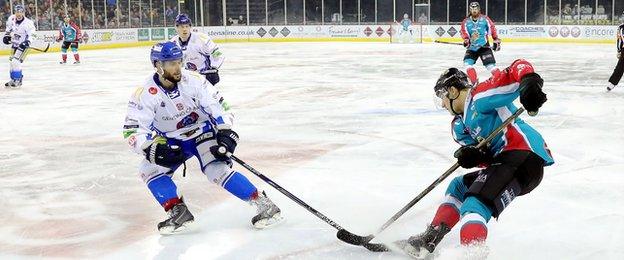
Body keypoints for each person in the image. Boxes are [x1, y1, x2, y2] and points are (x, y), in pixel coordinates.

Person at [122, 42, 282, 235]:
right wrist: (149, 148)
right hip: (171, 140)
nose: (177, 67)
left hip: (202, 133)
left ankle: (263, 204)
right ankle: (178, 211)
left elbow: (219, 107)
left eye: (178, 61)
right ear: (157, 66)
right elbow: (133, 130)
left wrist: (225, 131)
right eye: (170, 63)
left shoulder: (195, 81)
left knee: (216, 169)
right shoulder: (145, 93)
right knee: (148, 170)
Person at [399, 60, 554, 258]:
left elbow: (517, 68)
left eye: (443, 97)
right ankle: (431, 236)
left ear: (453, 91)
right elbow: (487, 162)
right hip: (507, 163)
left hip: (523, 155)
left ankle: (473, 254)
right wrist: (477, 157)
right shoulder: (460, 126)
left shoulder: (479, 97)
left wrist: (529, 82)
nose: (443, 104)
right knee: (459, 186)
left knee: (475, 204)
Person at [170, 13, 223, 86]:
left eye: (187, 26)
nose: (185, 29)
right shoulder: (173, 42)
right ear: (176, 28)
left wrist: (213, 69)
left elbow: (217, 53)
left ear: (190, 27)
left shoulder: (201, 39)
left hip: (205, 77)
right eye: (182, 27)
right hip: (188, 78)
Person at [460, 2, 501, 84]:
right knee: (467, 64)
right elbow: (464, 33)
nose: (474, 11)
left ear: (479, 9)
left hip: (484, 46)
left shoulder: (485, 19)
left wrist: (496, 39)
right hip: (472, 48)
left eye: (475, 9)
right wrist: (467, 40)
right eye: (472, 9)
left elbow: (492, 28)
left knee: (490, 66)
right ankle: (474, 83)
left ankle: (501, 80)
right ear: (470, 10)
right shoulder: (466, 22)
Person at [2, 4, 35, 88]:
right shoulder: (11, 18)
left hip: (23, 46)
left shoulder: (28, 23)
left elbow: (33, 35)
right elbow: (8, 29)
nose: (18, 14)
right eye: (17, 12)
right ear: (15, 12)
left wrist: (27, 41)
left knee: (15, 62)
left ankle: (18, 80)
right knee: (11, 62)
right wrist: (6, 36)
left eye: (20, 12)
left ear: (23, 12)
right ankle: (13, 79)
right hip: (15, 44)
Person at [608, 21, 624, 91]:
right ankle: (613, 83)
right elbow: (619, 40)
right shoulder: (621, 27)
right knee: (619, 67)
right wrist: (619, 50)